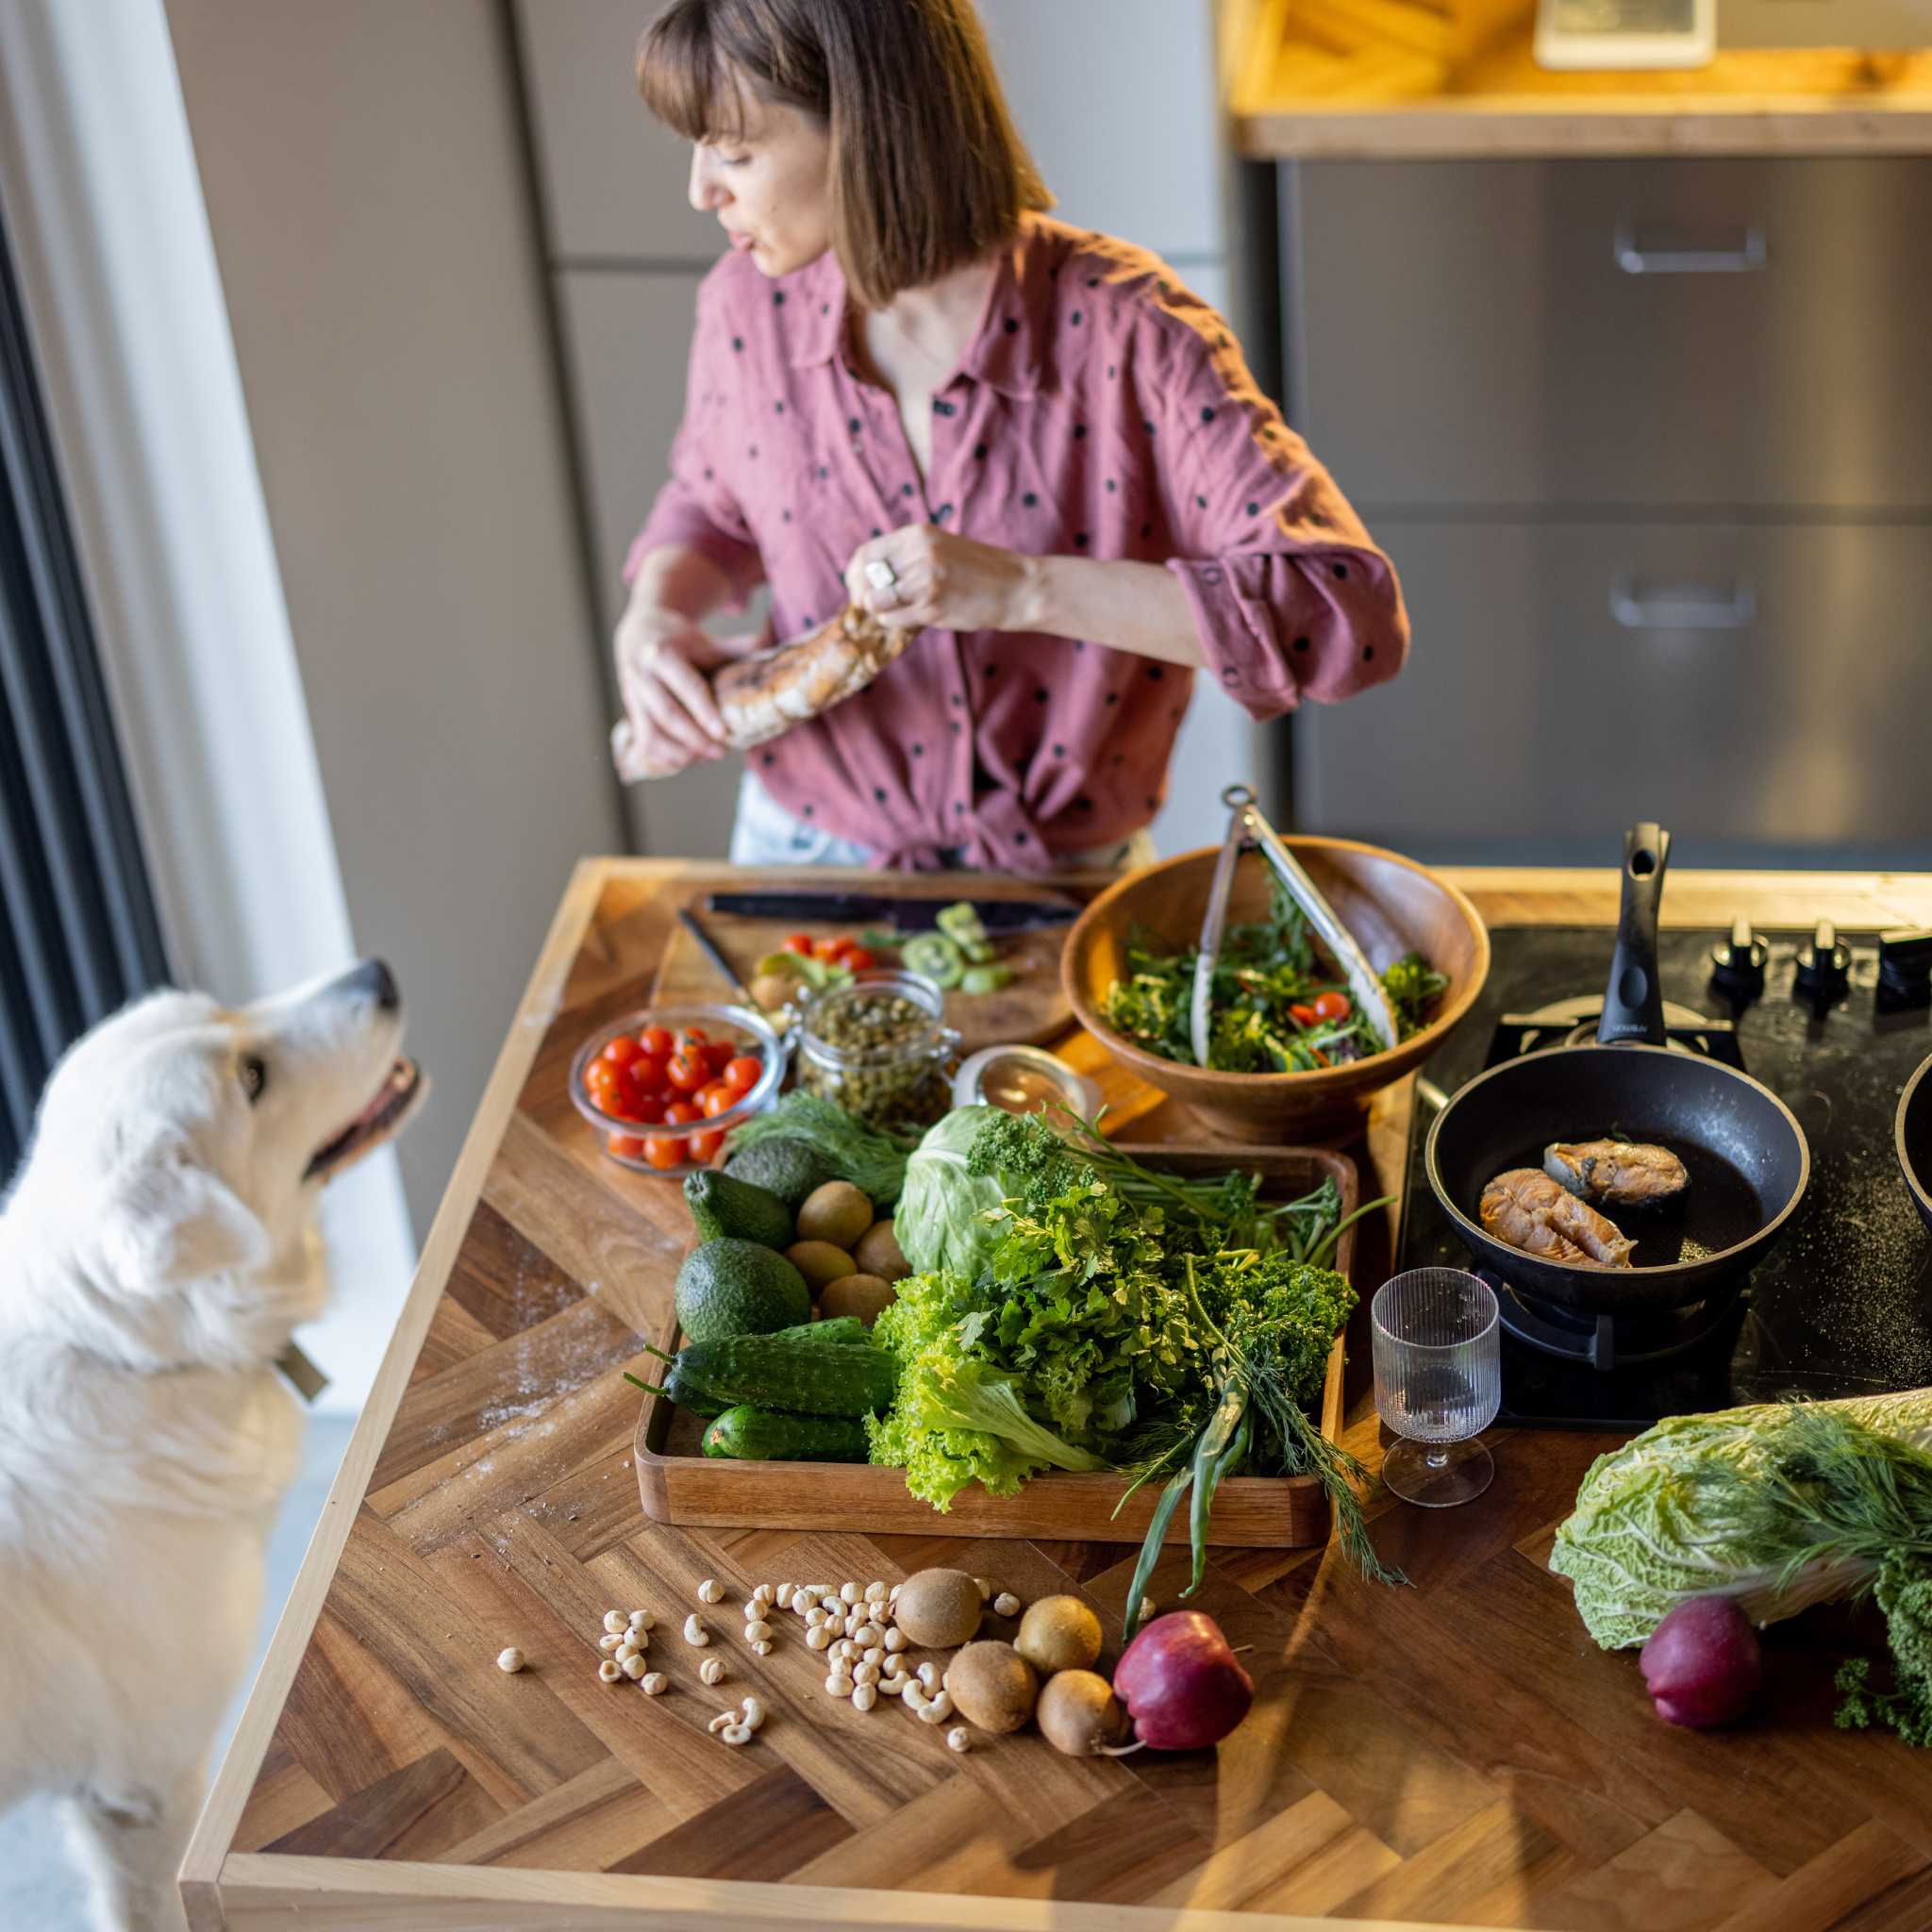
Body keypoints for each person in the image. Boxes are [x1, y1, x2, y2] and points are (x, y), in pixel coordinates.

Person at [613, 0, 1407, 873]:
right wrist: (656, 616)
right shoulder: (744, 307)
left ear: (867, 128)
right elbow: (711, 503)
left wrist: (1021, 589)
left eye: (734, 150)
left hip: (1063, 880)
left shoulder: (1130, 330)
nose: (701, 190)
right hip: (801, 849)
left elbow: (1341, 618)